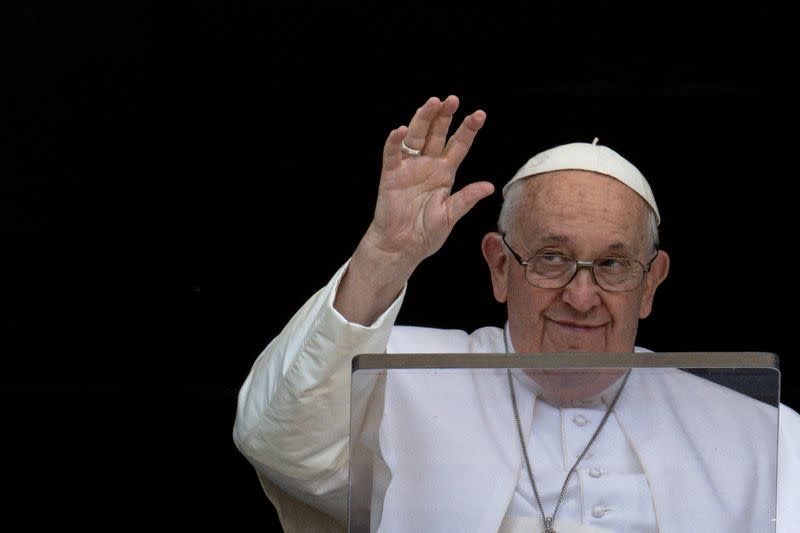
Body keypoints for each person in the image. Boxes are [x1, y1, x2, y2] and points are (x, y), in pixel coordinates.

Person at [233, 95, 800, 532]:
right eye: (551, 259)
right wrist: (384, 256)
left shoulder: (761, 432)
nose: (582, 298)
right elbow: (279, 441)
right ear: (500, 267)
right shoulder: (394, 377)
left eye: (613, 264)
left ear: (650, 284)